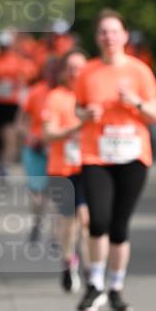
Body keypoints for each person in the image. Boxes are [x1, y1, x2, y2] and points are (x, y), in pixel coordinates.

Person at [74, 9, 156, 311]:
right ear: (97, 37)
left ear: (124, 36)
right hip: (96, 155)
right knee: (98, 220)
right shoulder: (87, 72)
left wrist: (134, 101)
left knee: (119, 225)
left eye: (114, 31)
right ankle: (94, 284)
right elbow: (77, 108)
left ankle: (115, 287)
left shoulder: (140, 71)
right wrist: (86, 114)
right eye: (103, 32)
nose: (109, 37)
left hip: (132, 156)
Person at [42, 50, 89, 293]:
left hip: (89, 165)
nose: (74, 72)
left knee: (86, 218)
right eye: (70, 67)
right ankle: (68, 261)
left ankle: (92, 269)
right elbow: (48, 133)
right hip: (62, 168)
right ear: (62, 72)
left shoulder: (92, 95)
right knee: (68, 220)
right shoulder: (55, 97)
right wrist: (74, 130)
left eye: (79, 67)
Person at [0, 31, 37, 177]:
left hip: (10, 102)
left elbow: (29, 74)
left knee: (8, 131)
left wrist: (18, 81)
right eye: (2, 46)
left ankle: (5, 163)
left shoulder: (18, 60)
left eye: (6, 46)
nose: (4, 48)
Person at [17, 57, 58, 244]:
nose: (52, 74)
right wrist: (30, 137)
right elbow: (20, 123)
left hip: (58, 150)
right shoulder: (35, 92)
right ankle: (37, 222)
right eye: (49, 70)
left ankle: (56, 235)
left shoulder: (67, 93)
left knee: (57, 193)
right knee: (37, 193)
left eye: (56, 70)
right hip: (36, 150)